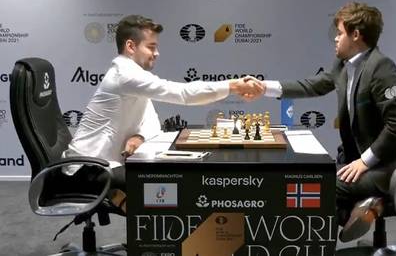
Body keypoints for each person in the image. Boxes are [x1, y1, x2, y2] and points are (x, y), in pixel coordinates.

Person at [246, 2, 396, 241]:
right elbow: (313, 86)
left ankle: (356, 216)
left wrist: (364, 161)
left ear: (356, 35)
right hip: (358, 159)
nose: (336, 39)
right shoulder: (344, 66)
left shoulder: (381, 68)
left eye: (339, 33)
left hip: (387, 165)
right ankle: (363, 210)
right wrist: (264, 87)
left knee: (320, 185)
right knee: (315, 179)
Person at [61, 15, 263, 212]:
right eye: (151, 46)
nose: (156, 53)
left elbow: (152, 121)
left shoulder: (133, 76)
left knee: (167, 180)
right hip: (85, 170)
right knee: (165, 181)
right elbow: (183, 94)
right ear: (131, 46)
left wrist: (139, 136)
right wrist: (233, 86)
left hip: (104, 167)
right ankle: (154, 241)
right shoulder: (125, 76)